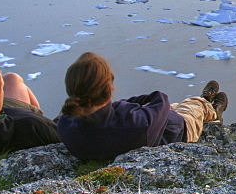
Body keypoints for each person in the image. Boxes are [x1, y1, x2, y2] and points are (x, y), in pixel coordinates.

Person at [56, 51, 227, 162]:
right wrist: (138, 102)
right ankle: (210, 109)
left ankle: (204, 103)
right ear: (109, 89)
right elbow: (160, 100)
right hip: (177, 130)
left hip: (151, 124)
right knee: (191, 107)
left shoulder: (66, 126)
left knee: (176, 106)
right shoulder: (136, 123)